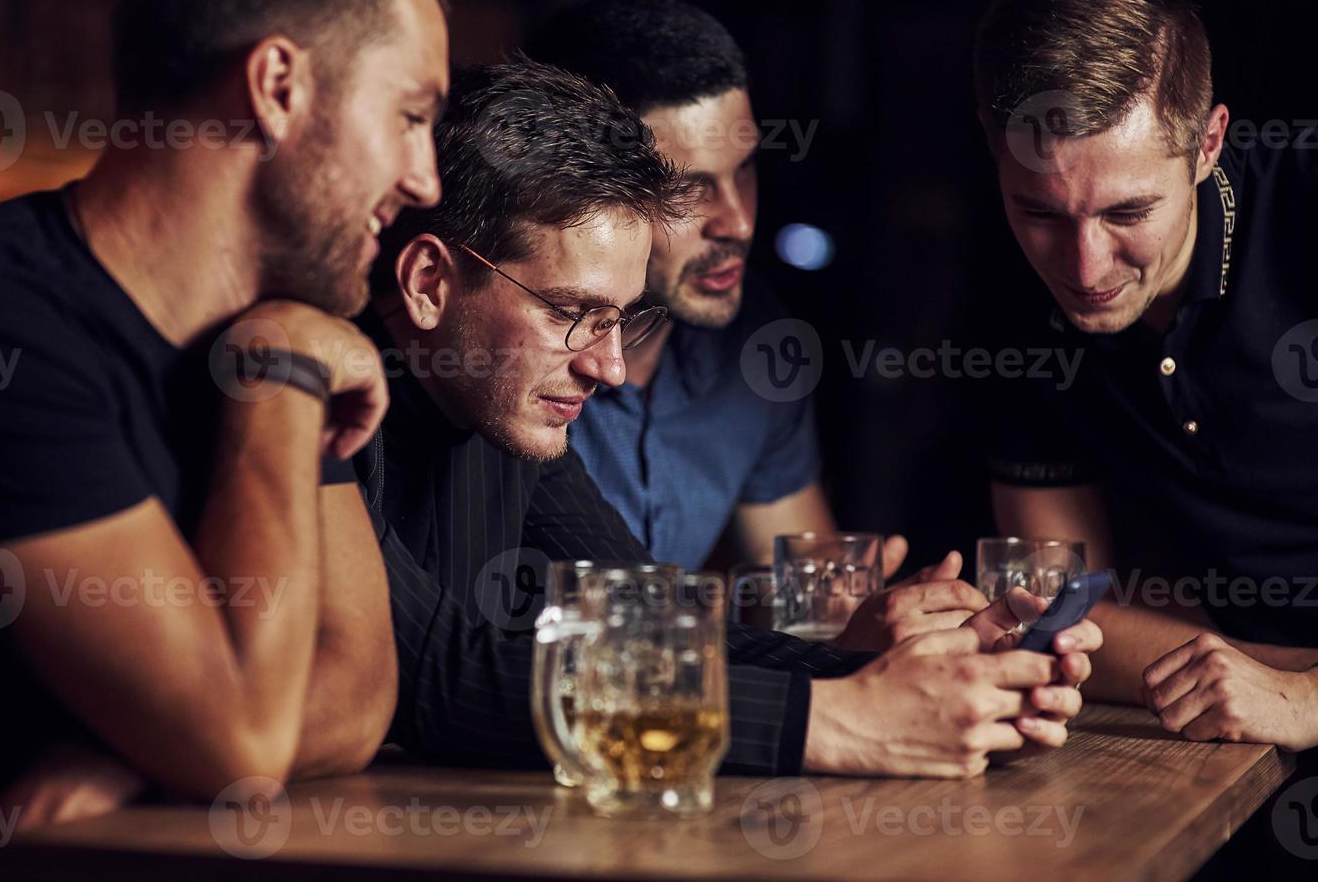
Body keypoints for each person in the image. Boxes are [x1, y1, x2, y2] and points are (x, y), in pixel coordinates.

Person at [0, 0, 448, 876]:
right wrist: (279, 374)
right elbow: (240, 742)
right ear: (278, 85)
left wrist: (135, 753)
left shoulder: (276, 334)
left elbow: (357, 682)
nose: (424, 176)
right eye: (412, 116)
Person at [358, 57, 1101, 782]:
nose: (609, 366)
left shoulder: (502, 408)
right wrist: (837, 719)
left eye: (620, 320)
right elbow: (432, 676)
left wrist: (911, 681)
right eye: (571, 314)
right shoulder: (326, 399)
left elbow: (665, 622)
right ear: (429, 282)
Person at [527, 0, 989, 651]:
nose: (739, 223)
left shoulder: (758, 341)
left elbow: (807, 603)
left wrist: (894, 632)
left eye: (744, 171)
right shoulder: (509, 357)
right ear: (579, 186)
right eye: (690, 189)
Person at [974, 0, 1318, 751]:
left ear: (1207, 145)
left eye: (1128, 213)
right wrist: (1263, 674)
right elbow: (1053, 614)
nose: (1084, 268)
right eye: (1043, 214)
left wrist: (1305, 697)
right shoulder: (1009, 283)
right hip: (1224, 732)